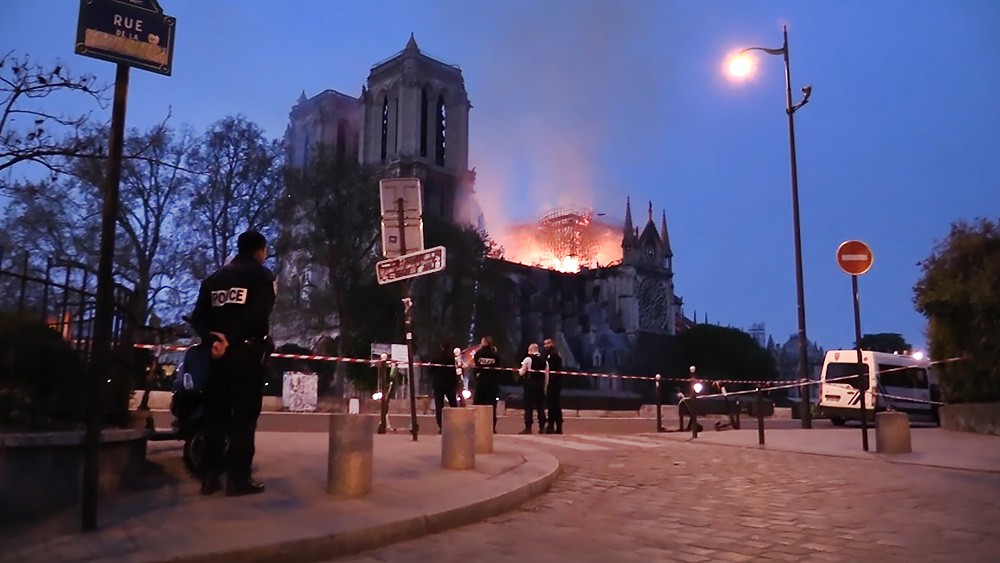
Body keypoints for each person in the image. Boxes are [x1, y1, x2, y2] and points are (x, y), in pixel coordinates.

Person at [189, 230, 275, 497]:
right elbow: (258, 317)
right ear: (259, 250)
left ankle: (209, 477)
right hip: (246, 357)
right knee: (244, 419)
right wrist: (232, 340)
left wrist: (214, 340)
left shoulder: (214, 279)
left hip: (216, 357)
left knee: (215, 417)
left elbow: (198, 318)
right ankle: (238, 479)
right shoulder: (262, 276)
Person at [517, 343, 547, 434]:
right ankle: (542, 427)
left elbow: (522, 373)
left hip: (530, 384)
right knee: (540, 407)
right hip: (540, 385)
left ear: (530, 350)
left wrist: (520, 370)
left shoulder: (528, 359)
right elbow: (546, 376)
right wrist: (545, 387)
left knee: (528, 406)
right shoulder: (544, 361)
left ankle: (528, 427)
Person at [472, 336, 501, 433]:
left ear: (484, 342)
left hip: (481, 383)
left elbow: (476, 367)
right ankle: (491, 427)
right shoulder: (495, 355)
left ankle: (477, 425)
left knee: (478, 404)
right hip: (492, 384)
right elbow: (498, 368)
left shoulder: (478, 354)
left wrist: (477, 376)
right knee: (491, 406)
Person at [430, 341, 459, 433]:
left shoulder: (435, 358)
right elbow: (455, 371)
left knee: (439, 406)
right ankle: (456, 423)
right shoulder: (452, 359)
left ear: (441, 347)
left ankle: (441, 426)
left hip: (438, 385)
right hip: (450, 384)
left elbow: (430, 371)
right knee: (453, 404)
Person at [542, 337, 563, 434]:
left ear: (552, 344)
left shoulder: (554, 355)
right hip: (550, 382)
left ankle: (556, 426)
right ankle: (552, 425)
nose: (546, 345)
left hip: (554, 383)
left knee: (554, 405)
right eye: (545, 344)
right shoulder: (547, 354)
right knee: (551, 405)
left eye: (548, 343)